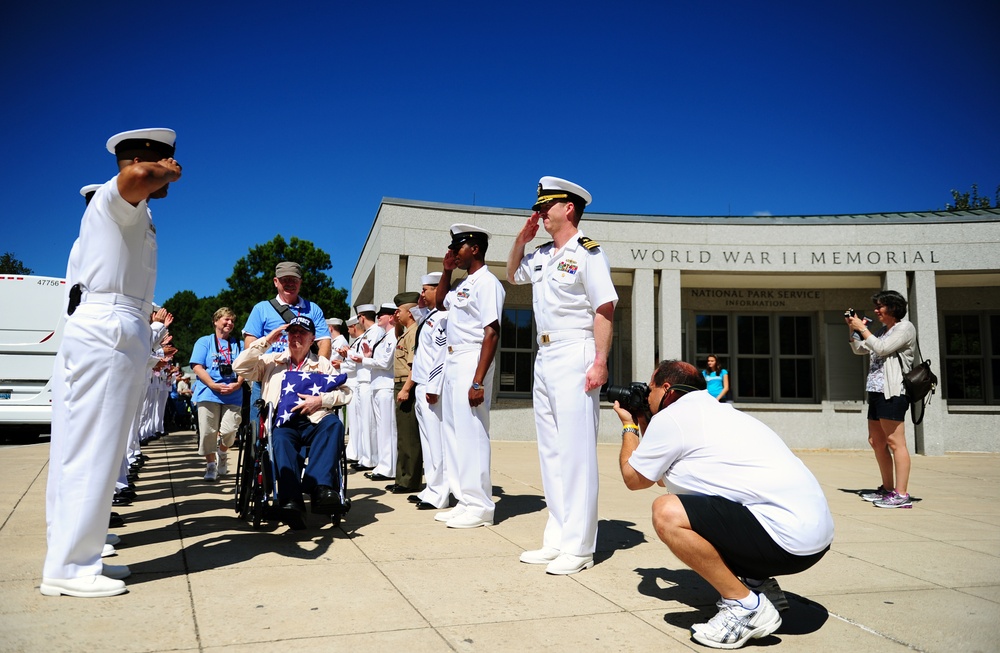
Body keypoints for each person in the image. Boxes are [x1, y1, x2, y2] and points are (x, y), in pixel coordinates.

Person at [42, 128, 181, 598]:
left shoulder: (134, 212)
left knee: (93, 448)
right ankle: (70, 566)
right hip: (109, 324)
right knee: (93, 448)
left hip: (117, 323)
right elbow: (138, 176)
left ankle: (78, 551)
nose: (171, 172)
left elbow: (141, 180)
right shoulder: (112, 197)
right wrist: (161, 170)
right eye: (168, 161)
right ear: (145, 158)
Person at [616, 360, 834, 649]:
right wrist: (647, 421)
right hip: (811, 541)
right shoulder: (718, 411)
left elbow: (634, 478)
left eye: (650, 389)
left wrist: (630, 425)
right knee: (705, 502)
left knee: (666, 512)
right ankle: (759, 585)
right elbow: (655, 475)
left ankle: (746, 606)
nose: (647, 396)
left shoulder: (674, 418)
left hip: (785, 541)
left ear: (666, 389)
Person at [506, 176, 617, 575]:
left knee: (576, 452)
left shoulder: (588, 252)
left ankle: (580, 547)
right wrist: (521, 238)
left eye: (545, 205)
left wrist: (600, 360)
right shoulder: (541, 254)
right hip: (546, 354)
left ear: (568, 208)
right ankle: (557, 538)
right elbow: (513, 273)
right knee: (551, 451)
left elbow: (604, 307)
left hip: (576, 350)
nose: (539, 212)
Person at [233, 315, 352, 530]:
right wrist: (267, 340)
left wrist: (321, 400)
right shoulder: (272, 361)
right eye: (292, 332)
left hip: (315, 420)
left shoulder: (322, 364)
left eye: (302, 333)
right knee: (279, 438)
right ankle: (291, 500)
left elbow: (345, 393)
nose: (296, 336)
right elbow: (239, 366)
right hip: (283, 422)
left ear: (312, 338)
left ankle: (319, 487)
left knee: (334, 424)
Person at [433, 223, 505, 528]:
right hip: (453, 359)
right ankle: (464, 499)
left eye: (457, 248)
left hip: (472, 358)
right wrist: (447, 272)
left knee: (473, 433)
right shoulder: (463, 283)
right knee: (454, 433)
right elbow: (439, 304)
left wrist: (478, 381)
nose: (453, 253)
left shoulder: (488, 283)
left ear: (474, 248)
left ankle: (480, 506)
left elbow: (492, 331)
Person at [846, 290, 917, 509]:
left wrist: (863, 329)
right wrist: (853, 330)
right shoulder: (882, 330)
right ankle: (887, 489)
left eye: (880, 306)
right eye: (876, 306)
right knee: (876, 442)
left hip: (893, 391)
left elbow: (882, 348)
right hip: (876, 391)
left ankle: (901, 494)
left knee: (896, 443)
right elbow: (861, 350)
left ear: (893, 308)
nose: (877, 310)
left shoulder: (905, 328)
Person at [242, 261, 333, 427]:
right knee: (261, 428)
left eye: (294, 280)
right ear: (276, 282)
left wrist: (320, 371)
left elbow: (325, 342)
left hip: (304, 377)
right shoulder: (261, 309)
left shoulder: (313, 309)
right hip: (269, 376)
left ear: (300, 283)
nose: (290, 284)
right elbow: (250, 344)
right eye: (285, 280)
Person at [190, 307, 245, 481]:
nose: (230, 323)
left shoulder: (239, 344)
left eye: (232, 321)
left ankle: (222, 452)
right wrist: (212, 384)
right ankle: (211, 465)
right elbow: (197, 366)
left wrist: (238, 384)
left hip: (233, 392)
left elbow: (246, 365)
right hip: (208, 391)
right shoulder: (204, 341)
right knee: (208, 432)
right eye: (226, 319)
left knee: (230, 430)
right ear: (216, 321)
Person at [410, 273, 449, 510]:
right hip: (421, 384)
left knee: (437, 442)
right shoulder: (430, 316)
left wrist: (433, 387)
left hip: (431, 387)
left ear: (438, 289)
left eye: (426, 289)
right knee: (427, 442)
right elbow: (417, 315)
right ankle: (431, 488)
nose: (421, 294)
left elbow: (440, 356)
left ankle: (441, 493)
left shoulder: (444, 317)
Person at [341, 305, 382, 471]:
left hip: (368, 380)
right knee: (363, 422)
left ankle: (370, 458)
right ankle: (366, 457)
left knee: (369, 423)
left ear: (362, 317)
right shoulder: (368, 334)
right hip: (362, 381)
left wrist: (348, 354)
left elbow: (367, 356)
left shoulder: (376, 332)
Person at [362, 303, 399, 482]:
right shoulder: (384, 337)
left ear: (391, 317)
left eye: (382, 315)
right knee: (381, 428)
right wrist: (368, 356)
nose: (378, 318)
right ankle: (383, 465)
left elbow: (385, 363)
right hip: (378, 385)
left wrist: (364, 360)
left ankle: (389, 468)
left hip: (386, 386)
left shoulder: (393, 336)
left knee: (387, 429)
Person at [389, 292, 422, 494]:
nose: (396, 314)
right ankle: (402, 478)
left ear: (409, 312)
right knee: (402, 435)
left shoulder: (413, 333)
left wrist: (406, 389)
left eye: (399, 310)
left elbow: (414, 366)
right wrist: (396, 323)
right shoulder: (405, 332)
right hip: (400, 385)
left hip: (405, 386)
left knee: (409, 436)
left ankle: (409, 481)